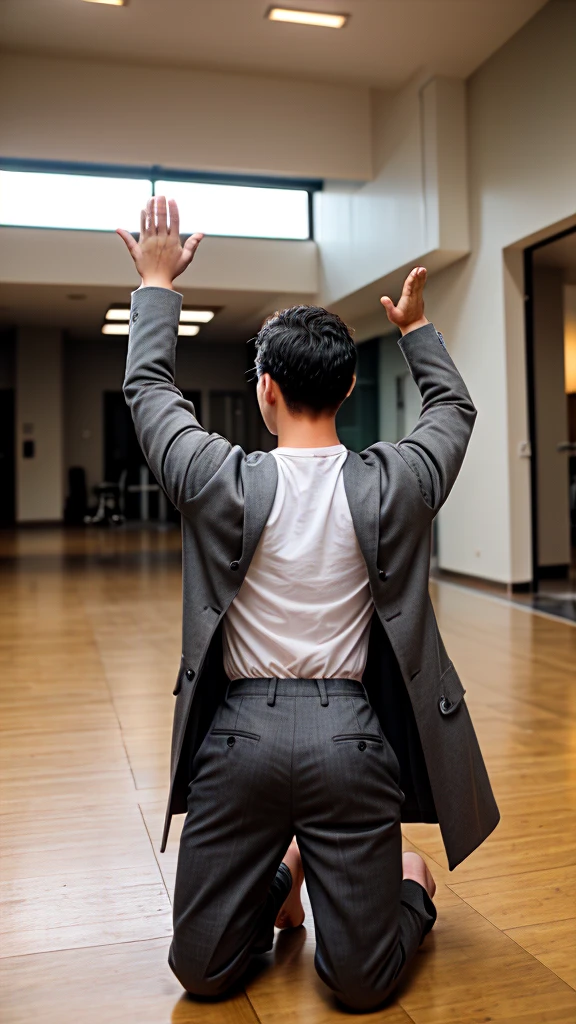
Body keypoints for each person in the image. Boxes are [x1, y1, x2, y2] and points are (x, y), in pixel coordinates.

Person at [118, 196, 499, 1011]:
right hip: (243, 742)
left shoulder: (219, 475)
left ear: (264, 390)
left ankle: (406, 878)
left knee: (358, 986)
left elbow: (149, 387)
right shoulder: (395, 478)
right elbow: (454, 411)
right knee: (203, 971)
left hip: (347, 739)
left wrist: (156, 283)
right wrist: (417, 331)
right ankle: (285, 870)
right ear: (353, 384)